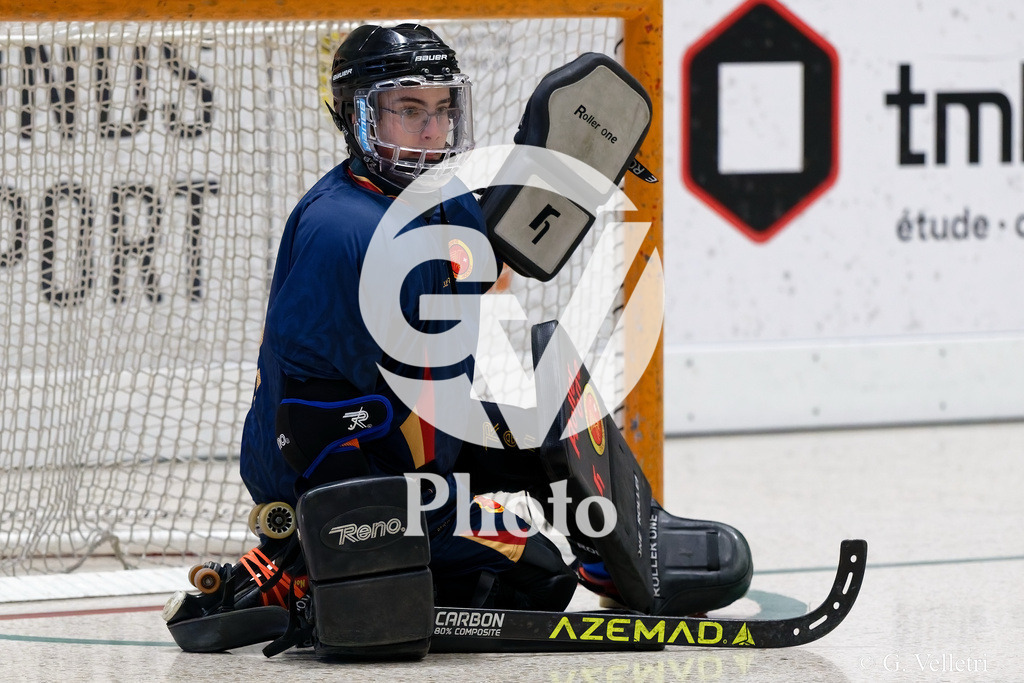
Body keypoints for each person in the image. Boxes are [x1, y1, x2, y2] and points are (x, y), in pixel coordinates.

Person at [172, 23, 578, 628]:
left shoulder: (448, 199)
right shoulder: (339, 231)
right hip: (348, 475)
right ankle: (302, 565)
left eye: (443, 109)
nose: (432, 129)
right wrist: (365, 529)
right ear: (358, 116)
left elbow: (473, 283)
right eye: (409, 109)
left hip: (412, 440)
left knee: (550, 449)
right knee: (543, 577)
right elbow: (307, 420)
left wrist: (568, 178)